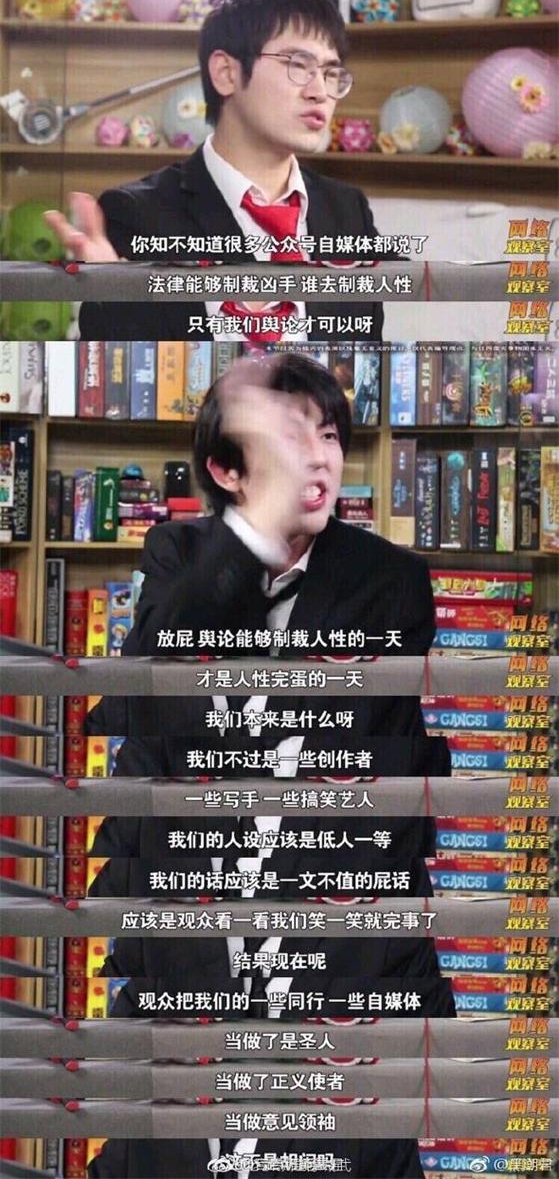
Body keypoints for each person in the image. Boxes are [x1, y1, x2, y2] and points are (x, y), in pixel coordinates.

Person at [85, 352, 454, 1179]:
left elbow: (371, 780)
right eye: (286, 439)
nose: (316, 458)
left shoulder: (390, 581)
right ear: (226, 471)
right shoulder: (179, 556)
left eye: (327, 436)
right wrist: (252, 537)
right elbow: (151, 702)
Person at [44, 0, 385, 342]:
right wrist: (112, 298)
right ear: (226, 73)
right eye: (298, 65)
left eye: (331, 73)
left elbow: (366, 364)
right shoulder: (137, 214)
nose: (320, 92)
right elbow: (124, 372)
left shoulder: (349, 212)